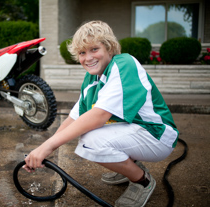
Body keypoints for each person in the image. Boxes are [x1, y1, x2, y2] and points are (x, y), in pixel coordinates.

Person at [23, 20, 179, 207]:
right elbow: (75, 118)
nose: (88, 58)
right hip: (136, 131)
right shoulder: (91, 79)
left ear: (109, 48)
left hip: (157, 135)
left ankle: (142, 180)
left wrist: (47, 147)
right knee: (87, 133)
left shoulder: (124, 64)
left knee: (91, 141)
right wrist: (44, 150)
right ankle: (129, 167)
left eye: (94, 49)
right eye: (82, 52)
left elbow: (98, 116)